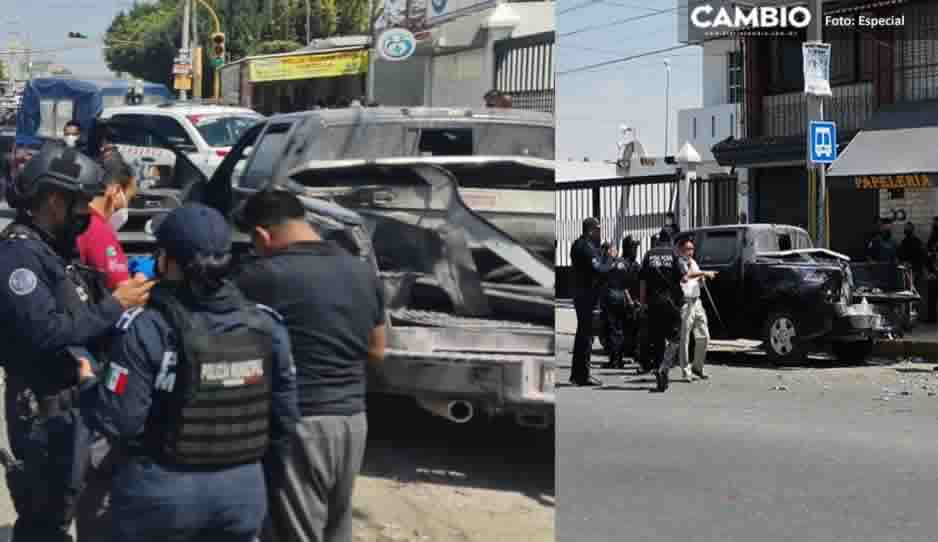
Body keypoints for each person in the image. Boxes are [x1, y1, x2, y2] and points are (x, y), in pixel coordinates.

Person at [76, 202, 299, 542]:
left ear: (167, 261)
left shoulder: (148, 326)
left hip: (161, 496)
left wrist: (90, 383)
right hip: (242, 494)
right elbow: (284, 423)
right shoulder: (267, 325)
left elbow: (119, 421)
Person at [0, 141, 153, 542]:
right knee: (44, 522)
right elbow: (45, 332)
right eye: (80, 204)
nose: (87, 214)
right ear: (54, 200)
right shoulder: (19, 257)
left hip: (72, 408)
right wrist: (114, 306)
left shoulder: (52, 252)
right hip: (43, 415)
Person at [231, 189, 386, 542]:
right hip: (352, 421)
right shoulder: (361, 271)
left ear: (262, 235)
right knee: (336, 526)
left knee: (294, 532)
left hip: (301, 422)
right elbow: (378, 350)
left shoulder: (263, 276)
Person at [76, 153, 137, 290]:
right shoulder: (99, 231)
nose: (127, 205)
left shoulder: (78, 220)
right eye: (129, 198)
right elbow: (125, 290)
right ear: (115, 191)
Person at [639, 229, 684, 392]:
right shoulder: (673, 254)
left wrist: (643, 304)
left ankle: (660, 376)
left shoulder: (649, 254)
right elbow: (683, 277)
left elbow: (642, 282)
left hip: (653, 303)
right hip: (670, 302)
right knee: (675, 336)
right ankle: (664, 367)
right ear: (670, 239)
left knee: (657, 339)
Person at [569, 217, 610, 386]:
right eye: (598, 229)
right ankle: (583, 375)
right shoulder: (585, 247)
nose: (600, 233)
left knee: (582, 335)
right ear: (591, 230)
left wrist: (601, 253)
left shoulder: (579, 245)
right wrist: (610, 258)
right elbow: (599, 269)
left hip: (581, 293)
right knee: (586, 337)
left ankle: (576, 374)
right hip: (587, 295)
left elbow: (592, 261)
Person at [673, 236, 717, 381]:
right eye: (687, 249)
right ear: (680, 250)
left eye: (692, 249)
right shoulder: (679, 262)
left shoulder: (693, 262)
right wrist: (704, 273)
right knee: (685, 338)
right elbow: (687, 276)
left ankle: (697, 367)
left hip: (697, 302)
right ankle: (686, 371)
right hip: (686, 303)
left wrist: (702, 280)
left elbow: (697, 280)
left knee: (704, 336)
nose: (690, 252)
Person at [599, 241, 637, 369]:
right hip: (622, 299)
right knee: (620, 330)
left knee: (612, 330)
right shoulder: (624, 263)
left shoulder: (606, 263)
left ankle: (614, 361)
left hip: (610, 298)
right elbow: (628, 284)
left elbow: (601, 280)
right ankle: (619, 359)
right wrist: (630, 301)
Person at [898, 222, 926, 297]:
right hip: (910, 270)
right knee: (911, 292)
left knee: (912, 291)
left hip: (914, 270)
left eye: (908, 229)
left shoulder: (914, 242)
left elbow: (922, 256)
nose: (907, 230)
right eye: (906, 228)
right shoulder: (906, 242)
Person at [926, 217, 938, 323]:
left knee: (932, 296)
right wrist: (930, 271)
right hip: (933, 271)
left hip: (934, 270)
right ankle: (932, 318)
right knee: (932, 296)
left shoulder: (933, 238)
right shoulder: (932, 239)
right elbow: (928, 256)